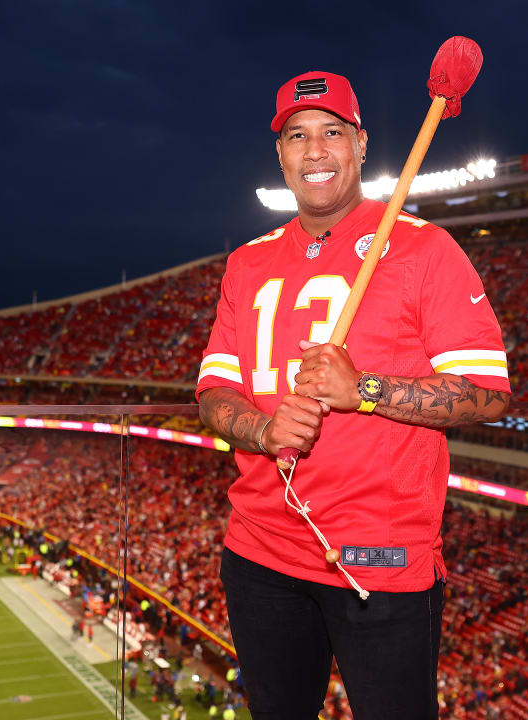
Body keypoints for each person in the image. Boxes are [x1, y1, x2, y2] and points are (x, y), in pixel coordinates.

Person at [196, 70, 510, 719]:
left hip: (381, 560)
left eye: (332, 133)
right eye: (297, 136)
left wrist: (362, 389)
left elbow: (487, 393)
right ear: (280, 154)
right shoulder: (247, 263)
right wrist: (263, 431)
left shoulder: (426, 249)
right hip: (259, 552)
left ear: (361, 144)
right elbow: (214, 392)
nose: (315, 150)